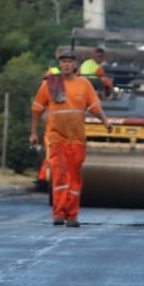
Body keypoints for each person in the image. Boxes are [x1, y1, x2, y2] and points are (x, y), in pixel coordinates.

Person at [30, 49, 112, 227]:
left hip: (77, 139)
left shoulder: (84, 84)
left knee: (74, 177)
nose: (66, 64)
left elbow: (95, 107)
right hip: (56, 137)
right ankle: (58, 213)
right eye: (63, 61)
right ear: (59, 65)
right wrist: (34, 133)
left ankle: (72, 215)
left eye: (70, 61)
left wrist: (106, 121)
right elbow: (37, 109)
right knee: (59, 175)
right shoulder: (51, 84)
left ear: (75, 65)